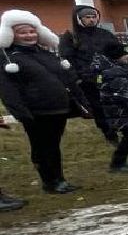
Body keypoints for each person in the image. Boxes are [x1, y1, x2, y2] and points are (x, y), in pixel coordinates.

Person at [0, 10, 84, 193]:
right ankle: (50, 182)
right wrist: (21, 113)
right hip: (36, 111)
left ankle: (59, 178)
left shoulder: (45, 53)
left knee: (53, 145)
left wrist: (80, 101)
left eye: (32, 31)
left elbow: (64, 78)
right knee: (42, 147)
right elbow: (8, 89)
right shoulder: (8, 58)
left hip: (57, 109)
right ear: (11, 34)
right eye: (23, 32)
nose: (29, 35)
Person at [59, 4, 126, 143]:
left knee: (120, 103)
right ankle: (109, 133)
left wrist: (123, 64)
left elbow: (120, 52)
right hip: (88, 80)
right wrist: (77, 78)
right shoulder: (71, 37)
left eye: (94, 17)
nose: (91, 20)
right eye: (87, 17)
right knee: (98, 107)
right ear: (79, 19)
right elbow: (66, 59)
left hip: (110, 77)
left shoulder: (105, 34)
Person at [94, 53, 128, 173]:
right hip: (121, 110)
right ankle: (117, 163)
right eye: (125, 54)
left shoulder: (118, 70)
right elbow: (122, 95)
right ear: (117, 56)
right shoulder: (115, 74)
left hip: (122, 109)